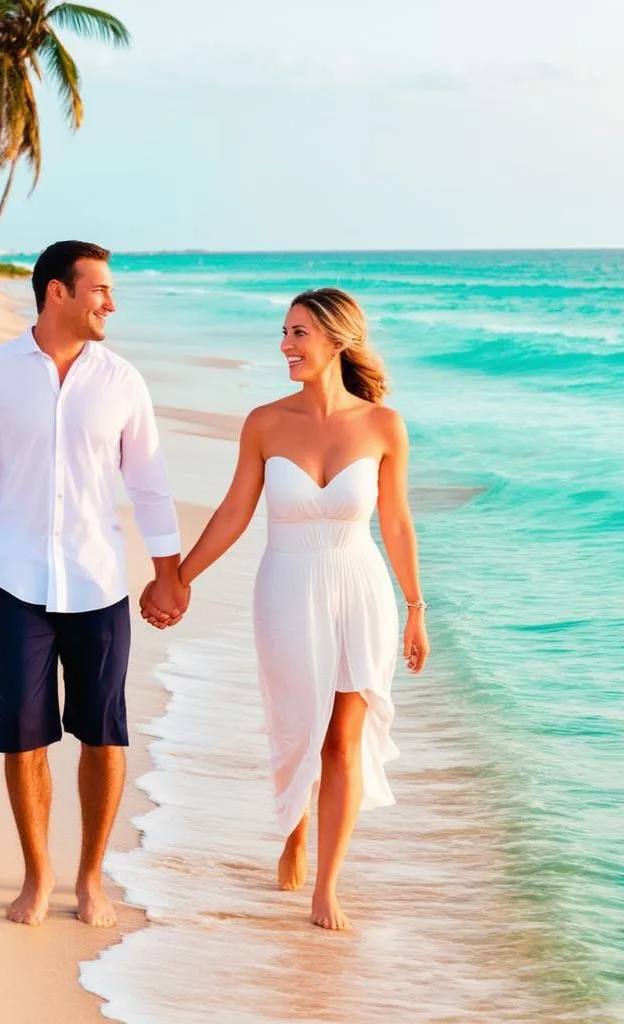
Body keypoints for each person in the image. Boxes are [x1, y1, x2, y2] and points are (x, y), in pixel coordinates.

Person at [141, 287, 429, 931]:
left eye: (299, 333)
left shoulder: (384, 425)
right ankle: (294, 827)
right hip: (286, 588)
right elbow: (235, 512)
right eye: (284, 332)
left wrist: (415, 607)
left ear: (336, 340)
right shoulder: (265, 422)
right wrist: (178, 579)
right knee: (297, 724)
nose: (286, 346)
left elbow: (399, 523)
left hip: (361, 588)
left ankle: (327, 886)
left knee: (343, 741)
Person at [0, 240, 189, 928]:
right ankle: (36, 873)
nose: (111, 302)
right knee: (22, 735)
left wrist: (167, 575)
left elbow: (149, 485)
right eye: (100, 290)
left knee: (103, 734)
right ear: (58, 292)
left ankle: (89, 879)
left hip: (99, 580)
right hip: (15, 581)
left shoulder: (122, 381)